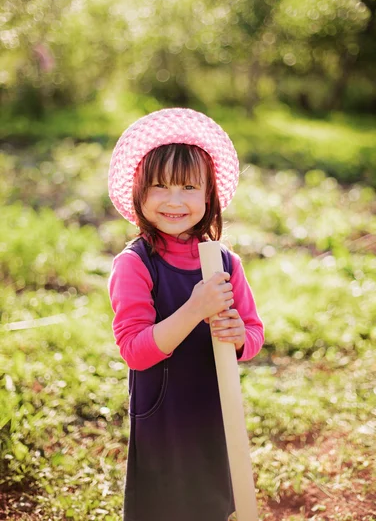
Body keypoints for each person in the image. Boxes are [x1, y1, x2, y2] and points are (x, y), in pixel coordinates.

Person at [108, 108, 264, 521]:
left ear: (209, 196)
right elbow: (135, 351)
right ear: (139, 192)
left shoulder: (225, 262)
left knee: (212, 501)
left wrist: (238, 337)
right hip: (164, 415)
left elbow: (252, 333)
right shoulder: (136, 264)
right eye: (159, 186)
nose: (174, 200)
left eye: (189, 187)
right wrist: (195, 309)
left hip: (214, 407)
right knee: (166, 502)